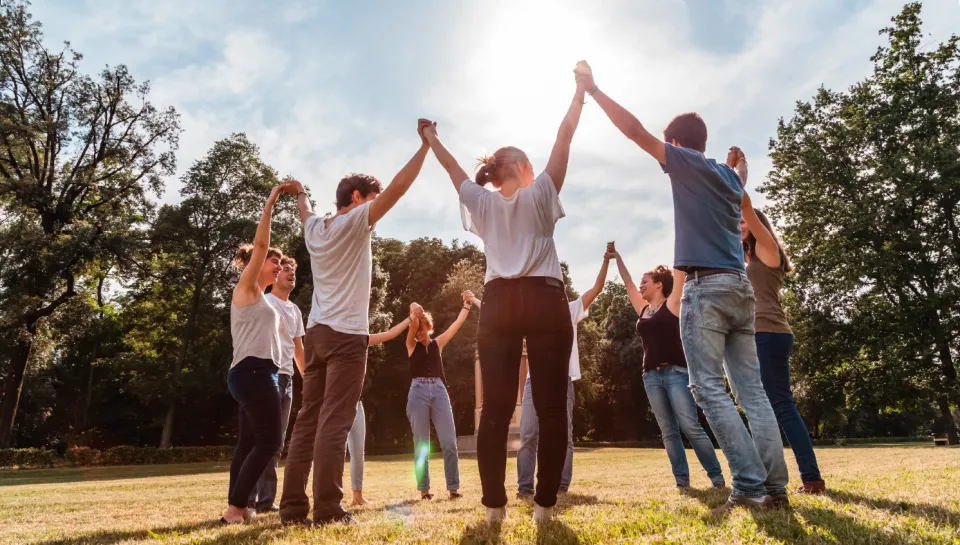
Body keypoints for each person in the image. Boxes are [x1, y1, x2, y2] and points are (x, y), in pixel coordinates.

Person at [576, 61, 788, 514]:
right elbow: (740, 187)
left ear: (674, 144)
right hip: (739, 288)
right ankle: (775, 487)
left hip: (705, 288)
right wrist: (737, 166)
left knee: (708, 389)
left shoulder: (684, 163)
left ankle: (749, 485)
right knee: (753, 392)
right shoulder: (729, 179)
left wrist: (594, 91)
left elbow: (634, 131)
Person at [419, 62, 586, 523]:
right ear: (520, 166)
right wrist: (579, 92)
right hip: (545, 298)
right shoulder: (540, 193)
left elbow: (453, 169)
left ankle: (494, 507)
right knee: (553, 409)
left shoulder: (482, 200)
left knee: (493, 409)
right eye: (529, 164)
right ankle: (544, 508)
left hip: (498, 304)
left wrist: (431, 138)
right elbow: (564, 138)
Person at [279, 122, 430, 526]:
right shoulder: (355, 222)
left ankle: (292, 509)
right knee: (335, 420)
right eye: (372, 201)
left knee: (308, 418)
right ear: (359, 198)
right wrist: (425, 147)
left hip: (316, 335)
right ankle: (327, 509)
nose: (376, 209)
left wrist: (299, 191)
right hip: (346, 336)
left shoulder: (315, 229)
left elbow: (304, 210)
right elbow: (398, 190)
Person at [469, 251, 609, 501]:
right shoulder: (532, 312)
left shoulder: (571, 309)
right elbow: (503, 321)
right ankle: (524, 487)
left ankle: (560, 485)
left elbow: (596, 289)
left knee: (560, 432)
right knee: (528, 434)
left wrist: (607, 261)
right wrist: (479, 302)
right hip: (534, 381)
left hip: (561, 379)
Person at [731, 147, 826, 495]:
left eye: (744, 223)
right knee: (763, 406)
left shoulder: (768, 251)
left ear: (757, 225)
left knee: (782, 406)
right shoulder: (745, 258)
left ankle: (812, 478)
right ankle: (768, 473)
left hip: (769, 335)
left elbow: (743, 207)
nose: (739, 226)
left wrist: (739, 170)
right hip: (758, 336)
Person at [608, 242, 725, 489]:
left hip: (677, 373)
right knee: (668, 432)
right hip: (651, 376)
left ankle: (716, 477)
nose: (640, 286)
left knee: (690, 426)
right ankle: (682, 481)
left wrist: (686, 236)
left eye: (645, 281)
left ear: (659, 284)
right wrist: (616, 257)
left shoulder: (673, 304)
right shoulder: (643, 310)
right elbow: (627, 282)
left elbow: (679, 273)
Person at [223, 183, 291, 524]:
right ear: (256, 263)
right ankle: (236, 507)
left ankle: (239, 506)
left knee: (249, 442)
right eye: (273, 261)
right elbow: (261, 244)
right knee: (270, 442)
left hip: (255, 373)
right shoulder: (246, 286)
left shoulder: (263, 298)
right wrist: (271, 202)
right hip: (253, 373)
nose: (277, 265)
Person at [248, 257, 305, 513]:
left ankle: (265, 502)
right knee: (260, 440)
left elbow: (298, 349)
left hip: (287, 379)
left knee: (277, 443)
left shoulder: (294, 310)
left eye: (293, 270)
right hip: (266, 375)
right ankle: (245, 499)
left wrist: (308, 379)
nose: (290, 273)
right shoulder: (265, 301)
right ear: (274, 274)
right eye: (285, 269)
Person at [404, 295, 473, 501]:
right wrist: (416, 312)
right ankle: (424, 491)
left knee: (449, 441)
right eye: (416, 330)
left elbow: (456, 325)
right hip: (418, 393)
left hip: (439, 390)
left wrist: (467, 305)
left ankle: (453, 488)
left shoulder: (438, 344)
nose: (418, 333)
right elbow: (414, 308)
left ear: (429, 326)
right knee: (421, 443)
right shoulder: (410, 345)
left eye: (421, 329)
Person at [346, 317, 414, 506]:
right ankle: (329, 496)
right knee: (334, 451)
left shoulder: (360, 339)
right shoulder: (333, 340)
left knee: (358, 452)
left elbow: (389, 334)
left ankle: (357, 496)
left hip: (356, 403)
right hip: (335, 405)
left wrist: (410, 319)